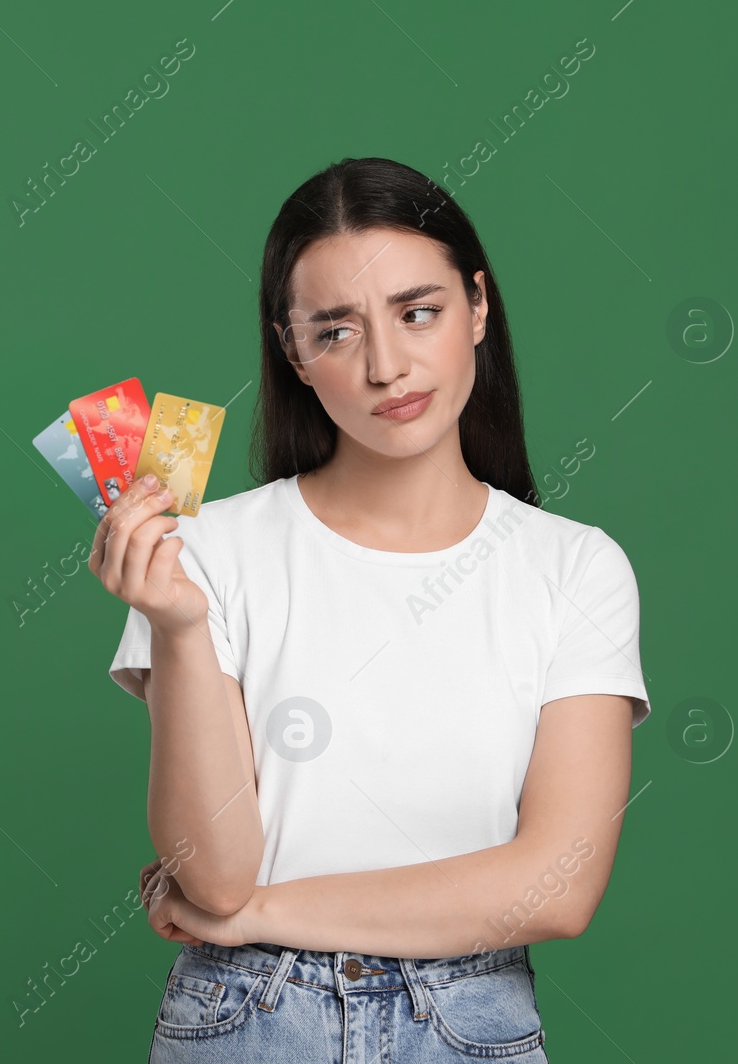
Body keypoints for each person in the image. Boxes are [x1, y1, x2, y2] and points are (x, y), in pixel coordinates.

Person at [88, 156, 650, 1062]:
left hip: (468, 1025)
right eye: (337, 331)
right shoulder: (206, 553)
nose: (388, 367)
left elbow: (555, 887)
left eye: (417, 312)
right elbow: (214, 870)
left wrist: (266, 910)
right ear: (293, 352)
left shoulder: (574, 567)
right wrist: (180, 627)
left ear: (477, 306)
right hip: (245, 1021)